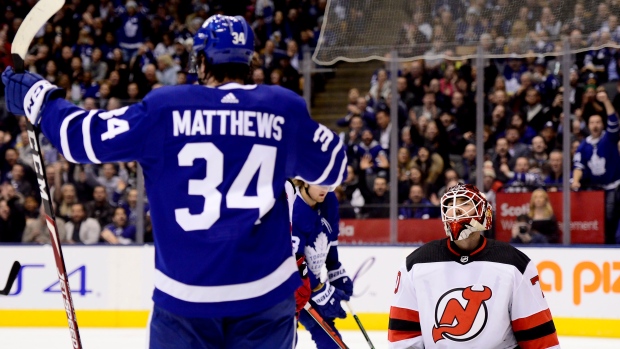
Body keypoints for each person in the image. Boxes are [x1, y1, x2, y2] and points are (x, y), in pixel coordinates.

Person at [2, 15, 347, 349]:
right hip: (265, 298)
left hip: (186, 300)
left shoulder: (166, 108)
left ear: (200, 61)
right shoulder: (281, 108)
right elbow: (332, 169)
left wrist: (39, 98)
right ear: (250, 60)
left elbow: (82, 139)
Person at [388, 183, 559, 349]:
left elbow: (539, 336)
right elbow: (403, 334)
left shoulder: (515, 264)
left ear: (484, 212)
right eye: (450, 205)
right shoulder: (415, 264)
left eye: (464, 203)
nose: (455, 210)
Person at [291, 180, 352, 348]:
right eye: (321, 184)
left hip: (307, 284)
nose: (326, 190)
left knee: (329, 337)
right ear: (304, 182)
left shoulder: (329, 200)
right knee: (284, 338)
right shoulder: (294, 209)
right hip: (286, 287)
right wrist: (319, 288)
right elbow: (294, 258)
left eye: (330, 185)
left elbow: (330, 237)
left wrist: (335, 268)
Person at [571, 89, 620, 244]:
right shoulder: (583, 145)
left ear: (602, 124)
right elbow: (579, 165)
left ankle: (611, 244)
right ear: (588, 125)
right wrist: (576, 180)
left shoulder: (609, 138)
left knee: (610, 217)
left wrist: (606, 101)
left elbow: (614, 120)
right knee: (598, 220)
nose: (595, 125)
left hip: (614, 186)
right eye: (592, 123)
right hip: (596, 190)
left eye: (598, 122)